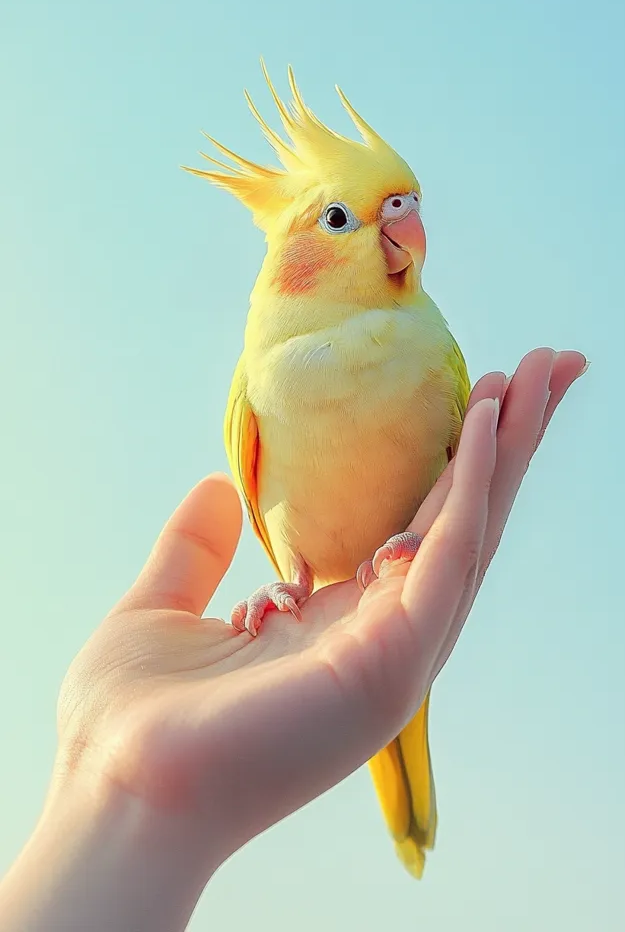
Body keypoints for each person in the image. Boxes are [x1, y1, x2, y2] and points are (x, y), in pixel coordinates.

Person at [0, 348, 586, 931]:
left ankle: (411, 797)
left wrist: (134, 802)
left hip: (395, 573)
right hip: (322, 594)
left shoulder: (430, 347)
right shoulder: (254, 374)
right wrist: (124, 784)